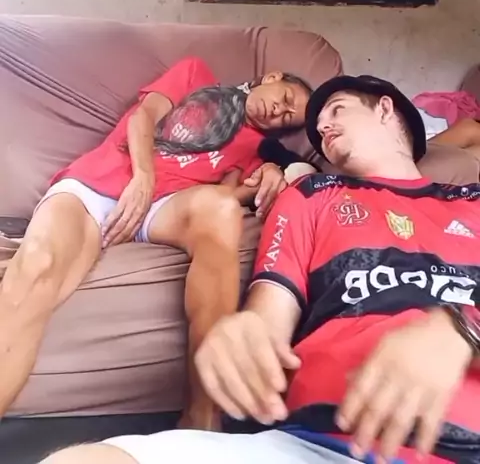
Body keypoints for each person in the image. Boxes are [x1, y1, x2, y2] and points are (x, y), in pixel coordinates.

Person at [41, 74, 480, 464]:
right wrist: (245, 337)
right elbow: (269, 312)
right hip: (323, 443)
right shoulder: (311, 194)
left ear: (385, 108)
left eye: (336, 110)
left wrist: (462, 331)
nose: (323, 128)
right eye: (317, 126)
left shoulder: (472, 201)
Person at [0, 55, 311, 429]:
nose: (279, 111)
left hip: (165, 208)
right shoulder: (196, 74)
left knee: (222, 210)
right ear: (272, 77)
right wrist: (143, 179)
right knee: (38, 266)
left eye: (287, 118)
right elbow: (142, 118)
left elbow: (240, 192)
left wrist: (276, 173)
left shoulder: (258, 153)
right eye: (286, 98)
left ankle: (202, 418)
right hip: (103, 184)